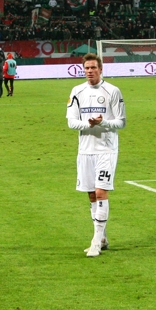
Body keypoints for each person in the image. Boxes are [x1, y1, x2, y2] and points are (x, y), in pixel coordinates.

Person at [65, 53, 126, 258]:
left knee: (101, 193)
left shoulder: (113, 91)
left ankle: (95, 242)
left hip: (106, 150)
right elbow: (71, 122)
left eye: (93, 68)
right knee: (91, 194)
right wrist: (88, 124)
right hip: (85, 150)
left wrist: (103, 123)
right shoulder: (77, 91)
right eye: (86, 68)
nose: (90, 71)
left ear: (101, 69)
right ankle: (103, 237)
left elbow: (121, 122)